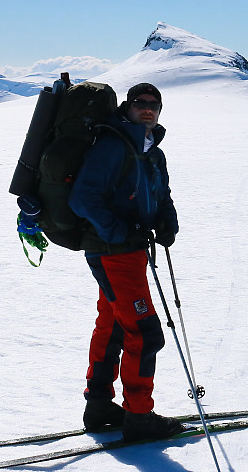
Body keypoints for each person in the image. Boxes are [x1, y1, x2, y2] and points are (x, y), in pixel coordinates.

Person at [68, 82, 183, 442]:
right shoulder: (114, 145)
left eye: (154, 104)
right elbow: (82, 198)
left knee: (115, 325)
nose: (147, 109)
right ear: (127, 107)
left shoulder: (150, 151)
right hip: (112, 252)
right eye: (140, 103)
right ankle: (139, 416)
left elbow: (160, 192)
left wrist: (167, 221)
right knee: (145, 333)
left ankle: (100, 405)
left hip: (130, 252)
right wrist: (119, 232)